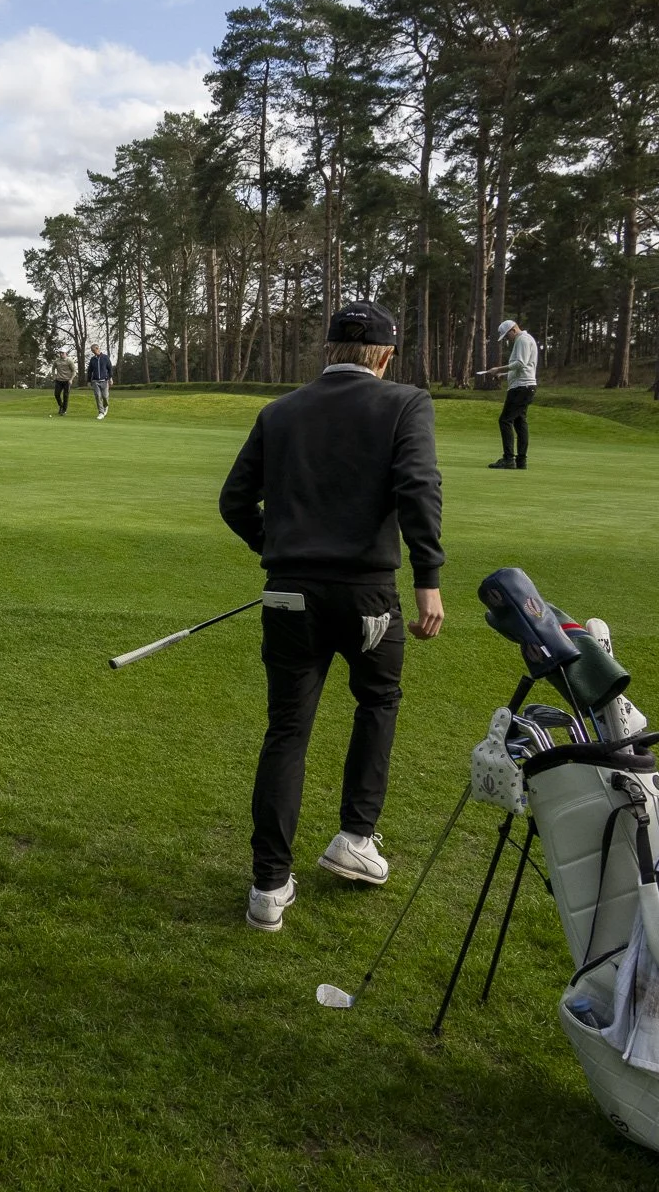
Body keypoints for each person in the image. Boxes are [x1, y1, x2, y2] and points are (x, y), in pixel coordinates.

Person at [218, 300, 445, 933]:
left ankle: (268, 887)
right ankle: (355, 837)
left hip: (288, 594)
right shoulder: (405, 403)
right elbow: (418, 488)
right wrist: (428, 580)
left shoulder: (280, 411)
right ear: (384, 355)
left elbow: (235, 501)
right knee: (377, 702)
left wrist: (281, 550)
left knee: (287, 729)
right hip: (368, 595)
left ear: (328, 351)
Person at [478, 319, 538, 470]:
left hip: (521, 387)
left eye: (507, 335)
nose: (507, 339)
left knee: (505, 420)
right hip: (525, 386)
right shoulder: (525, 339)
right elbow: (523, 367)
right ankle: (521, 460)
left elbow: (520, 363)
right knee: (519, 422)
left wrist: (498, 369)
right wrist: (504, 375)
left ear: (513, 330)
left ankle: (509, 459)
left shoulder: (522, 340)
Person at [85, 343, 113, 420]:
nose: (93, 352)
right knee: (98, 396)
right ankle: (101, 412)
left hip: (104, 381)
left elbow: (110, 368)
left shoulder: (105, 357)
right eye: (92, 351)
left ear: (97, 349)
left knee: (105, 396)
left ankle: (105, 406)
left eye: (94, 350)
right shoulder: (92, 359)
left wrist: (110, 378)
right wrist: (89, 381)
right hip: (95, 381)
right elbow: (90, 371)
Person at [50, 351, 74, 415]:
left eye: (62, 353)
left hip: (67, 381)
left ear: (66, 353)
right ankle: (61, 406)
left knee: (65, 396)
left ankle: (64, 410)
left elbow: (74, 371)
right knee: (56, 394)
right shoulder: (57, 361)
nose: (61, 354)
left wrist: (71, 379)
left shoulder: (69, 361)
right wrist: (54, 376)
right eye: (60, 353)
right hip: (59, 380)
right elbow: (53, 368)